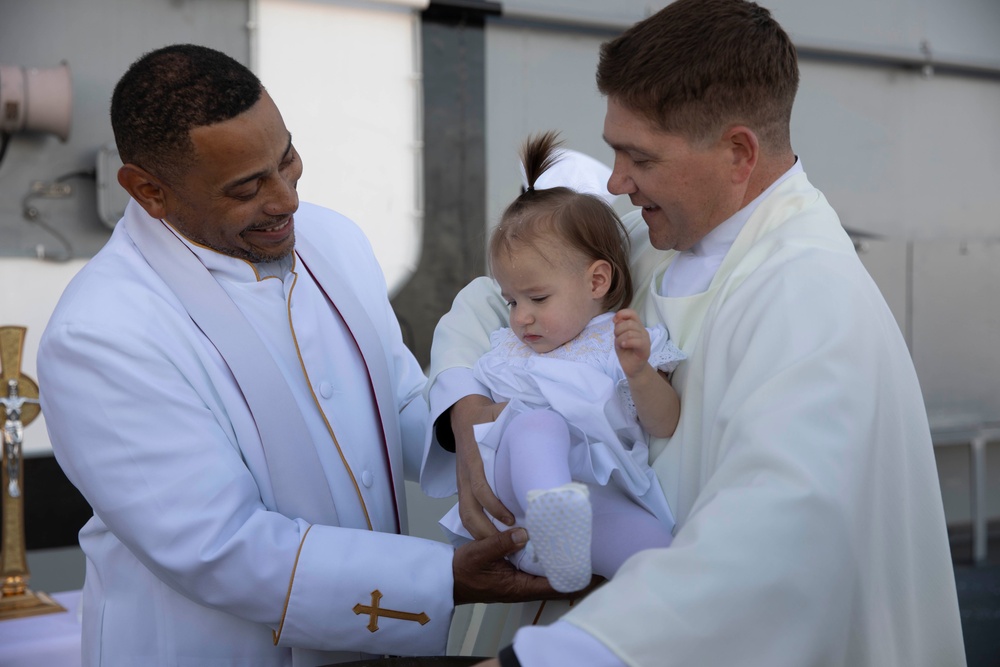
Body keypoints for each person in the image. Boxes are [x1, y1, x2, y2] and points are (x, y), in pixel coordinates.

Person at [422, 1, 967, 665]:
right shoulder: (655, 236)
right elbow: (487, 299)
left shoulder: (811, 296)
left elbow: (765, 545)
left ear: (738, 152)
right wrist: (467, 408)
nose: (617, 182)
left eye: (637, 157)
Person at [36, 44, 562, 667]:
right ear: (149, 190)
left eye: (286, 158)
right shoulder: (102, 332)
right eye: (247, 187)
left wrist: (484, 429)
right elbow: (219, 544)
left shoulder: (333, 237)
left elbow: (396, 400)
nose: (286, 199)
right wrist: (444, 578)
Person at [438, 132, 683, 594]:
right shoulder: (511, 350)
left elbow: (666, 423)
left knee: (656, 549)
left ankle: (571, 556)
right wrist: (492, 414)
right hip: (521, 499)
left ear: (596, 282)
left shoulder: (622, 345)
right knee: (538, 426)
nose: (520, 316)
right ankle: (552, 513)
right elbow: (485, 420)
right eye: (511, 300)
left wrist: (640, 374)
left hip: (598, 503)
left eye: (537, 298)